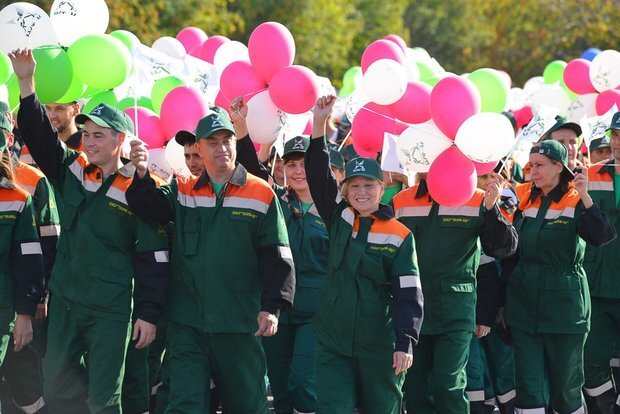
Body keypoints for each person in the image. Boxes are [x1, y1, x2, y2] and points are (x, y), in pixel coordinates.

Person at [10, 48, 170, 414]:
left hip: (110, 309)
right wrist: (25, 81)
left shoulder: (139, 188)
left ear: (120, 141)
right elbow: (39, 135)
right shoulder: (74, 171)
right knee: (56, 383)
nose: (90, 142)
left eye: (99, 136)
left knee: (104, 397)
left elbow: (154, 257)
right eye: (87, 135)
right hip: (66, 301)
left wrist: (148, 312)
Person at [126, 106, 296, 414]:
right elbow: (147, 206)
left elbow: (278, 255)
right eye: (212, 142)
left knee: (247, 406)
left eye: (226, 140)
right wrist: (139, 172)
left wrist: (272, 307)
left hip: (240, 325)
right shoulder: (182, 190)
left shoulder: (261, 194)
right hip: (187, 323)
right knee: (184, 404)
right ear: (199, 149)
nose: (222, 148)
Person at [304, 95, 423, 413]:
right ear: (345, 190)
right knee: (333, 407)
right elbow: (317, 175)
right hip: (333, 341)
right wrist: (320, 123)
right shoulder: (338, 216)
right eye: (354, 186)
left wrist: (405, 343)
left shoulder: (400, 235)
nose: (361, 192)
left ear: (382, 188)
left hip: (378, 345)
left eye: (368, 185)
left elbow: (409, 295)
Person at [393, 153, 517, 413]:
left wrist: (492, 209)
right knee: (415, 389)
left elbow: (504, 248)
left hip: (456, 312)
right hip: (414, 311)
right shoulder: (401, 201)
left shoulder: (478, 199)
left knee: (448, 384)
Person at [231, 97, 329, 414]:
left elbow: (321, 165)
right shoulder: (277, 201)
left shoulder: (334, 208)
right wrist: (242, 125)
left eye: (303, 164)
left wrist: (320, 122)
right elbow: (251, 169)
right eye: (290, 164)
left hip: (318, 311)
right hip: (278, 306)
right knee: (281, 382)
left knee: (305, 383)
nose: (298, 170)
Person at [505, 140, 616, 413]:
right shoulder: (522, 197)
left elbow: (602, 236)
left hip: (565, 310)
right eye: (531, 165)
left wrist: (587, 199)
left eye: (540, 165)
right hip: (523, 306)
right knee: (529, 387)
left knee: (566, 388)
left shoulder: (576, 198)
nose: (534, 171)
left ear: (559, 166)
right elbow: (505, 249)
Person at [0, 112, 46, 413]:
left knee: (25, 388)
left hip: (3, 314)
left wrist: (26, 315)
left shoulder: (17, 198)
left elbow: (29, 262)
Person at [583, 112, 620, 413]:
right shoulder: (591, 174)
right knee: (592, 357)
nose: (618, 142)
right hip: (595, 284)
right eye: (615, 135)